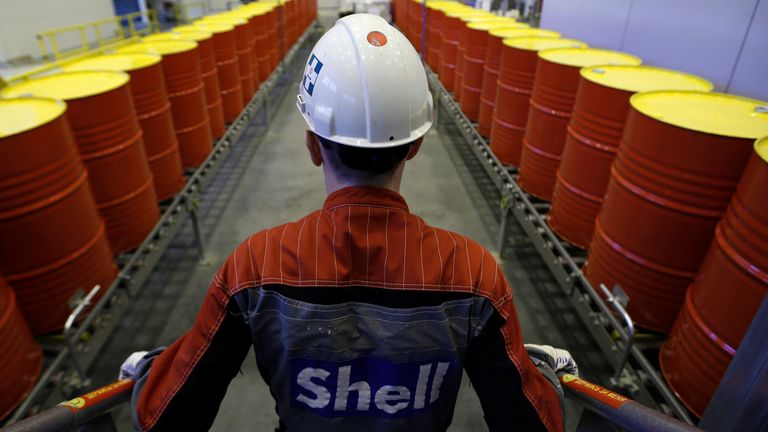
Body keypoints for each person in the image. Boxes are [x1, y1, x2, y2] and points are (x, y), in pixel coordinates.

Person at [121, 14, 577, 431]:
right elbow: (531, 423)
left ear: (312, 146)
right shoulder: (474, 276)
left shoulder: (252, 269)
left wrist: (146, 372)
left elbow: (166, 414)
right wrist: (548, 377)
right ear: (415, 146)